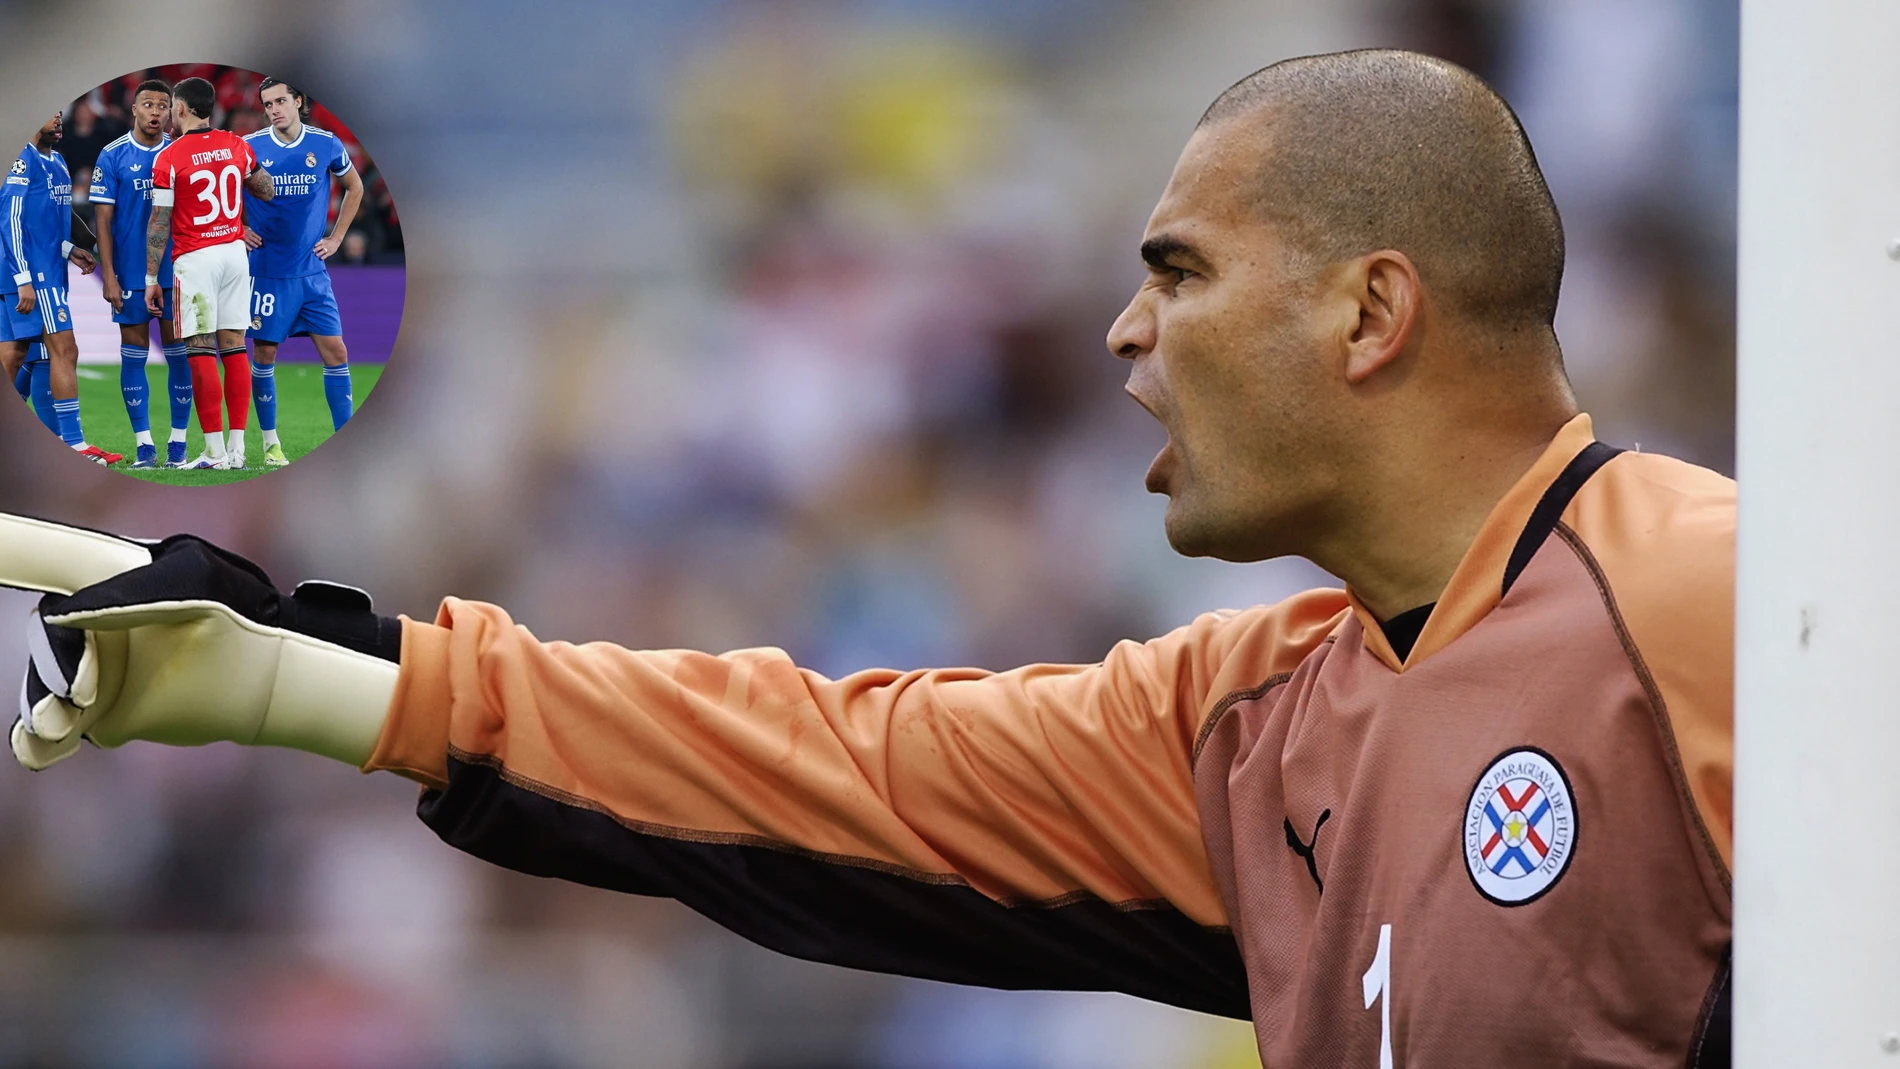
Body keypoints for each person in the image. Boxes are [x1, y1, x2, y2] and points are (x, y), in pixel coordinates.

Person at [0, 50, 1733, 1066]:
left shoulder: (1720, 601)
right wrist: (310, 679)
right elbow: (821, 763)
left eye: (1183, 272)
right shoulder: (1246, 723)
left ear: (1370, 312)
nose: (1127, 330)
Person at [145, 77, 273, 470]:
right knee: (234, 347)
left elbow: (160, 220)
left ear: (181, 108)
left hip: (197, 259)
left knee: (200, 349)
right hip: (235, 254)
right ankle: (237, 451)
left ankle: (213, 452)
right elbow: (266, 189)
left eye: (172, 106)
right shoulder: (236, 144)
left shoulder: (169, 157)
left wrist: (150, 279)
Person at [242, 77, 364, 466]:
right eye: (268, 104)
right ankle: (270, 444)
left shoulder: (325, 143)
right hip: (268, 271)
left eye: (280, 101)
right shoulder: (249, 147)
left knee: (337, 351)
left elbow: (355, 187)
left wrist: (337, 237)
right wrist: (238, 228)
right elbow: (222, 192)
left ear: (298, 102)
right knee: (264, 353)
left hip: (312, 272)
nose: (274, 109)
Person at [0, 113, 119, 464]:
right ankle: (74, 444)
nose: (57, 119)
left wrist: (69, 250)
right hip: (34, 276)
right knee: (64, 351)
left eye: (59, 114)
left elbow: (45, 223)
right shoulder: (21, 158)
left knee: (16, 356)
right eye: (48, 114)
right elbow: (11, 221)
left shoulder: (58, 162)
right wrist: (23, 277)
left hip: (44, 270)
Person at [91, 80, 193, 469]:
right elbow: (103, 221)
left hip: (176, 270)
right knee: (133, 357)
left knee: (179, 356)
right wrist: (109, 276)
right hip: (131, 273)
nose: (155, 111)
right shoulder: (112, 155)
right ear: (134, 109)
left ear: (172, 111)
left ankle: (178, 444)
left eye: (163, 105)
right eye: (148, 104)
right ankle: (145, 446)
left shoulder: (180, 151)